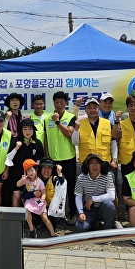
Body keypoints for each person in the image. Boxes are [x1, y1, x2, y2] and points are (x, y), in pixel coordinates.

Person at [71, 97, 121, 229]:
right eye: (89, 108)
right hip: (86, 163)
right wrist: (76, 129)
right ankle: (86, 215)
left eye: (95, 107)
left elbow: (113, 142)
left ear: (99, 109)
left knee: (112, 192)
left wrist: (114, 159)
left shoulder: (106, 123)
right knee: (86, 190)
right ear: (85, 109)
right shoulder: (81, 123)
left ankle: (114, 218)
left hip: (105, 163)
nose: (92, 110)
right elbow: (75, 142)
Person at [45, 91, 77, 223]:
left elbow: (69, 133)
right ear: (53, 103)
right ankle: (55, 214)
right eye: (56, 102)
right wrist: (47, 157)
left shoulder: (71, 117)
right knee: (54, 188)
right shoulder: (48, 119)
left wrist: (57, 122)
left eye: (62, 102)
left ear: (66, 103)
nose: (59, 105)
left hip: (68, 158)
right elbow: (46, 138)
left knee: (70, 187)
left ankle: (72, 213)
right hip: (53, 159)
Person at [5, 118, 44, 207]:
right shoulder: (15, 141)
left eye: (30, 129)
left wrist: (35, 173)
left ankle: (29, 217)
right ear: (21, 130)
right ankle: (15, 218)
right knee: (17, 196)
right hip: (16, 173)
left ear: (33, 130)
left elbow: (39, 159)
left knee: (28, 196)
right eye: (25, 129)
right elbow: (9, 158)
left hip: (31, 175)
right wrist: (16, 148)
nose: (28, 131)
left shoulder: (37, 143)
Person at [74, 153, 116, 233]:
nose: (95, 166)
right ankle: (94, 223)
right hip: (89, 209)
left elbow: (112, 196)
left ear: (101, 165)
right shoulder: (81, 178)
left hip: (102, 208)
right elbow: (78, 196)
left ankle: (106, 230)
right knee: (79, 227)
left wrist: (93, 199)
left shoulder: (107, 176)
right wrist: (81, 212)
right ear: (87, 165)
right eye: (92, 163)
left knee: (109, 204)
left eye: (97, 163)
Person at [17, 159, 56, 238]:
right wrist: (22, 179)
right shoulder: (26, 180)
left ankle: (53, 233)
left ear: (36, 170)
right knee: (27, 210)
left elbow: (44, 192)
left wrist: (42, 199)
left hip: (39, 200)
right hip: (30, 200)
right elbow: (18, 185)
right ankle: (31, 228)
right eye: (28, 171)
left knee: (44, 216)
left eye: (32, 170)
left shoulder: (40, 181)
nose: (31, 173)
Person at [37, 158, 64, 230]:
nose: (46, 170)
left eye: (49, 168)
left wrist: (59, 173)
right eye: (44, 167)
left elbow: (62, 183)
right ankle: (37, 221)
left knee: (52, 221)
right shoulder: (36, 179)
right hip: (40, 204)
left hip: (51, 206)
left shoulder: (54, 179)